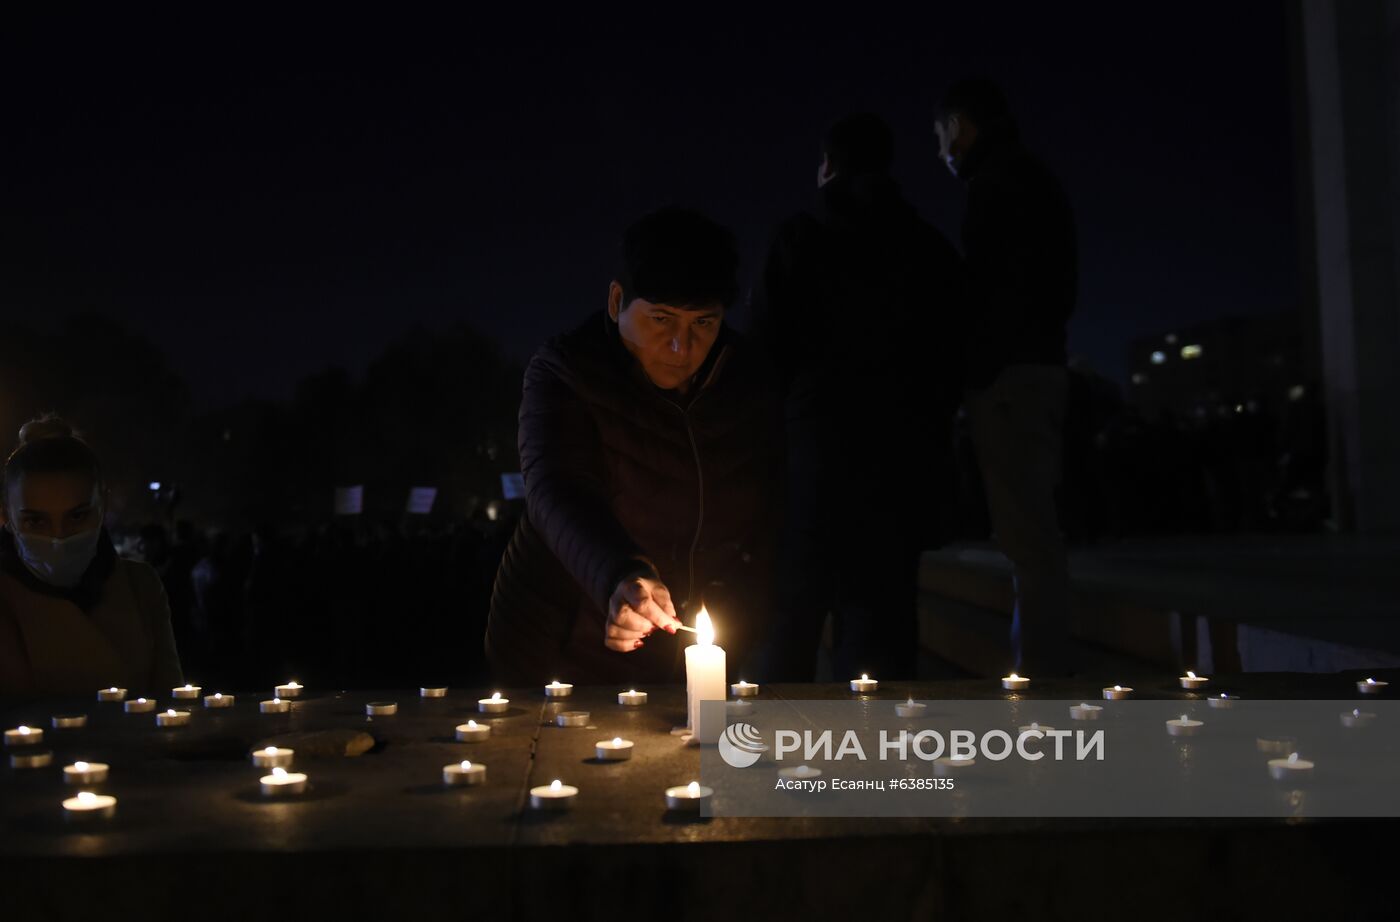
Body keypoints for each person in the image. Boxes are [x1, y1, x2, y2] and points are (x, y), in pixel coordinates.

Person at [485, 207, 781, 685]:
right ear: (616, 300)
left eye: (703, 324)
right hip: (559, 644)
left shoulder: (748, 385)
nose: (681, 347)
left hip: (681, 660)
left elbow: (767, 511)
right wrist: (620, 575)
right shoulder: (567, 372)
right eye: (661, 319)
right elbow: (557, 490)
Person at [750, 113, 965, 681]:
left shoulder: (802, 238)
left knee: (790, 614)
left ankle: (768, 750)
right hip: (900, 464)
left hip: (813, 456)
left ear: (827, 167)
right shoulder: (928, 249)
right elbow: (956, 355)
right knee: (880, 631)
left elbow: (765, 351)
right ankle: (873, 764)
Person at [934, 79, 1077, 673]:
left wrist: (978, 374)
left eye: (939, 135)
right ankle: (1041, 666)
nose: (939, 150)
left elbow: (989, 292)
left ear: (961, 127)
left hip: (1011, 378)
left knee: (1029, 541)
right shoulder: (1031, 178)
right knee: (1032, 534)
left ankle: (1042, 680)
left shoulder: (998, 186)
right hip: (1035, 367)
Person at [0, 416, 183, 695]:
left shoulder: (140, 586)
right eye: (36, 521)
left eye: (77, 516)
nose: (59, 537)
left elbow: (170, 705)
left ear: (103, 505)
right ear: (6, 517)